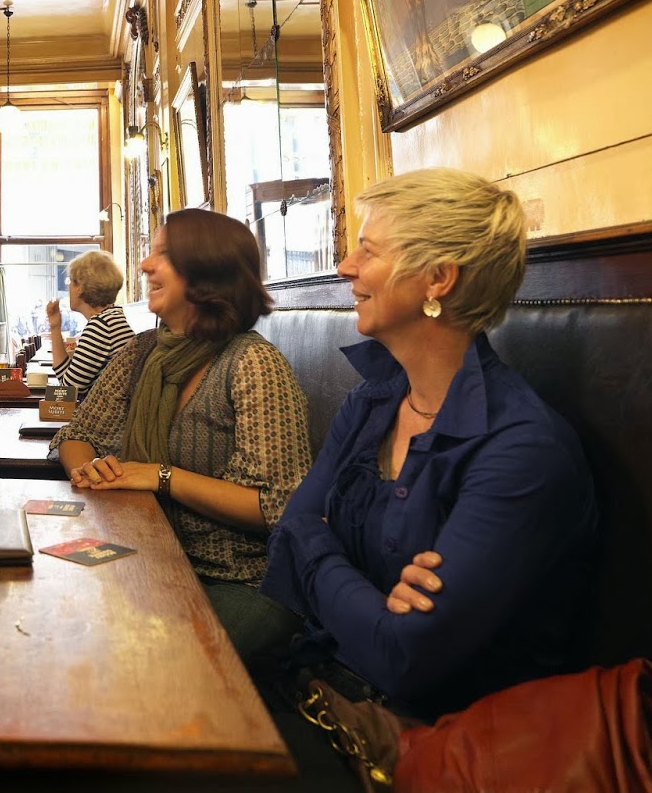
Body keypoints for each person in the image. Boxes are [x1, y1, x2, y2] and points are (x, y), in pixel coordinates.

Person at [256, 168, 598, 721]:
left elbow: (403, 658)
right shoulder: (371, 403)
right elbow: (286, 539)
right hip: (325, 690)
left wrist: (320, 547)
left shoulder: (524, 451)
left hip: (445, 745)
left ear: (437, 279)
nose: (346, 267)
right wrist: (377, 599)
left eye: (367, 251)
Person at [53, 209, 312, 658]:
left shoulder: (252, 362)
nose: (143, 266)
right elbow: (77, 435)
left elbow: (279, 507)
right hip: (146, 558)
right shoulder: (142, 352)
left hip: (238, 582)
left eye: (163, 255)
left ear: (207, 271)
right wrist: (92, 470)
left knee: (120, 657)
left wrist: (160, 475)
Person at [44, 249, 135, 399]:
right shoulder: (112, 318)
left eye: (70, 282)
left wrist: (55, 328)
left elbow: (69, 390)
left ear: (79, 287)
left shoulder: (101, 327)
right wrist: (55, 326)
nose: (68, 289)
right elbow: (70, 383)